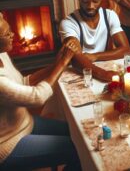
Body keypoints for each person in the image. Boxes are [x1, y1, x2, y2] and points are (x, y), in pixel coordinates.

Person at [0, 13, 82, 171]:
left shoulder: (2, 53)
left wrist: (56, 63)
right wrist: (63, 63)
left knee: (78, 134)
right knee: (78, 149)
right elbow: (37, 97)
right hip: (8, 144)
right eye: (6, 34)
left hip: (25, 124)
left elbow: (24, 82)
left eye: (9, 30)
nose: (13, 35)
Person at [60, 0, 130, 82]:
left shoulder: (110, 16)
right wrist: (104, 74)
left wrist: (95, 56)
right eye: (85, 1)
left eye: (95, 1)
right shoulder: (69, 23)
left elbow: (125, 50)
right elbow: (75, 57)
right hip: (81, 72)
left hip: (105, 66)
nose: (90, 6)